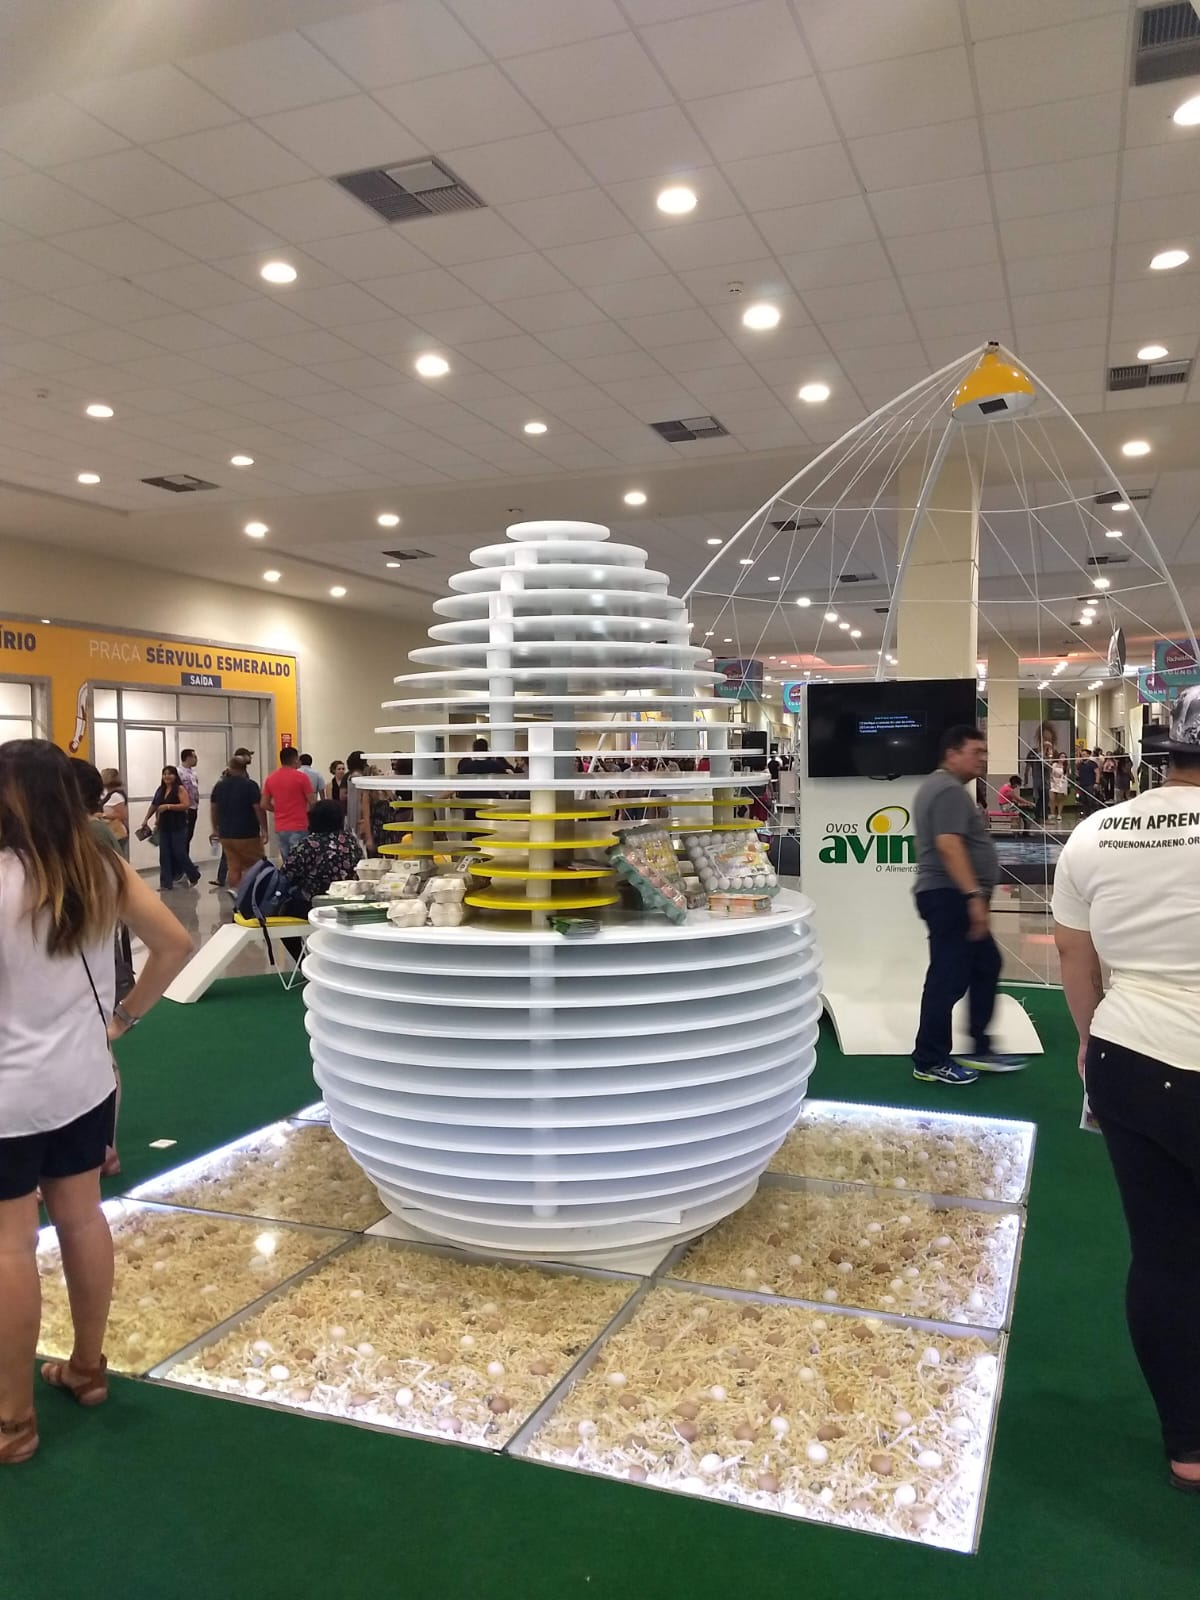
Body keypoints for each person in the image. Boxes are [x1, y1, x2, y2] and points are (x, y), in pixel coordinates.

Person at [0, 739, 191, 1465]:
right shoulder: (99, 864)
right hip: (84, 1080)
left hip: (7, 1095)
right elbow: (173, 942)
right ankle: (87, 1368)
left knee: (9, 1246)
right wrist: (125, 1017)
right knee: (81, 1221)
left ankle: (13, 1419)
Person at [1052, 686, 1200, 1492]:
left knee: (1167, 1256)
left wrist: (1086, 1044)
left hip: (1130, 1057)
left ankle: (1188, 1442)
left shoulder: (1099, 831)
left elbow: (1077, 958)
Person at [911, 725, 1027, 1086]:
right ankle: (930, 1059)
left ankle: (980, 1046)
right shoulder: (946, 789)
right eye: (976, 751)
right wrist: (973, 896)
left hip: (951, 896)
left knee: (985, 965)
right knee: (947, 979)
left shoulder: (944, 788)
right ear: (952, 753)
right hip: (950, 896)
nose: (983, 758)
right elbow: (949, 845)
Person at [281, 800, 362, 913]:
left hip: (312, 904)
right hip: (348, 900)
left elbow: (287, 874)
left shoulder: (308, 845)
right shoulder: (350, 841)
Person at [209, 754, 265, 890]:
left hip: (226, 835)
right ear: (245, 769)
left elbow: (213, 809)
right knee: (253, 866)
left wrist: (215, 829)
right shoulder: (250, 785)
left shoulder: (219, 786)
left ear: (230, 767)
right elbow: (258, 808)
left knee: (233, 867)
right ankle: (249, 895)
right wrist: (264, 828)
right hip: (247, 834)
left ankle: (236, 896)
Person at [141, 765, 200, 891]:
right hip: (164, 826)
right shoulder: (160, 790)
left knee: (179, 852)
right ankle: (166, 883)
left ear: (175, 776)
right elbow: (154, 805)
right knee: (164, 854)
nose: (167, 776)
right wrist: (146, 819)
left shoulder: (179, 789)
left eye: (170, 774)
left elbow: (186, 805)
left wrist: (168, 806)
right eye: (164, 774)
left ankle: (193, 874)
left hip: (178, 825)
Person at [262, 747, 314, 862]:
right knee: (301, 861)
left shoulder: (271, 779)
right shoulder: (302, 778)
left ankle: (288, 879)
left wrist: (277, 810)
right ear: (295, 760)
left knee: (287, 861)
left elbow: (264, 804)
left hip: (281, 826)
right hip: (299, 825)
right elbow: (312, 801)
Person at [178, 749, 200, 852]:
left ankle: (186, 860)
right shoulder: (179, 772)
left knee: (189, 835)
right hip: (183, 809)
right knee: (183, 837)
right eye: (194, 757)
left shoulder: (194, 773)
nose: (196, 759)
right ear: (188, 758)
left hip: (193, 807)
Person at [1076, 747, 1100, 816]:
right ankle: (1086, 814)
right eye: (1082, 754)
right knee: (1083, 800)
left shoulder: (1093, 764)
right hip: (1082, 784)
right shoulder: (1080, 764)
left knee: (1091, 800)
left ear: (1088, 755)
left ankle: (1092, 813)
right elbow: (1077, 773)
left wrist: (1097, 783)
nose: (1083, 756)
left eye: (1084, 754)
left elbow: (1097, 773)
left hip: (1090, 784)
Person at [1049, 750, 1069, 825]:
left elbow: (1066, 775)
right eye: (1061, 756)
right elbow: (1051, 773)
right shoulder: (1054, 764)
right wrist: (1052, 779)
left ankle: (1059, 814)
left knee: (1060, 799)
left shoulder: (1066, 766)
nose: (1063, 758)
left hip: (1061, 783)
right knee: (1052, 798)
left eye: (1064, 757)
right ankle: (1052, 813)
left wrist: (1061, 781)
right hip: (1053, 782)